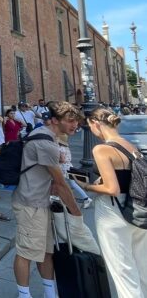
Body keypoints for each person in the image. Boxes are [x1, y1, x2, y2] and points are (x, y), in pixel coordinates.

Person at [12, 101, 83, 298]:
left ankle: (50, 292)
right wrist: (77, 214)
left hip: (39, 201)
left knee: (45, 251)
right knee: (26, 251)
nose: (74, 125)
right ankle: (24, 294)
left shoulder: (47, 138)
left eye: (76, 121)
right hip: (30, 203)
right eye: (70, 121)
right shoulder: (45, 143)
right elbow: (60, 183)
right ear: (53, 120)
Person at [77, 107, 147, 297]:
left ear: (95, 123)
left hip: (113, 210)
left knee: (122, 270)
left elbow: (112, 188)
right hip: (137, 206)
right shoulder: (129, 145)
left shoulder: (101, 149)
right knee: (142, 267)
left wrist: (87, 186)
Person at [57, 134, 91, 208]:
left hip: (64, 168)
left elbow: (62, 160)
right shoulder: (66, 148)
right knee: (72, 184)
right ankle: (85, 198)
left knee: (62, 183)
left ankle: (86, 198)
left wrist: (56, 159)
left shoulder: (60, 148)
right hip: (69, 166)